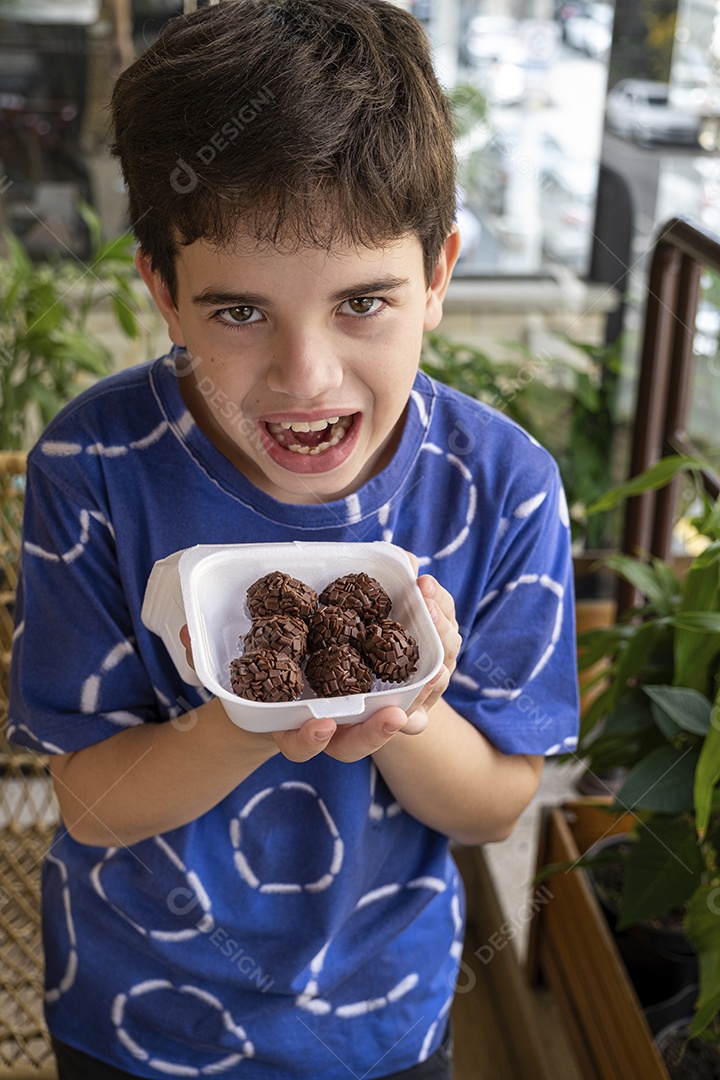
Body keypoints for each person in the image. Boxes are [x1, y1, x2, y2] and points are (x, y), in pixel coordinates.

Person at [7, 2, 579, 1077]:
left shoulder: (502, 491)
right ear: (163, 293)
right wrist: (252, 719)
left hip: (380, 1014)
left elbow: (498, 803)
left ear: (440, 274)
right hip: (134, 1015)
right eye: (238, 312)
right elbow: (83, 805)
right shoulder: (91, 472)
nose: (305, 376)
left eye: (363, 300)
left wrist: (409, 704)